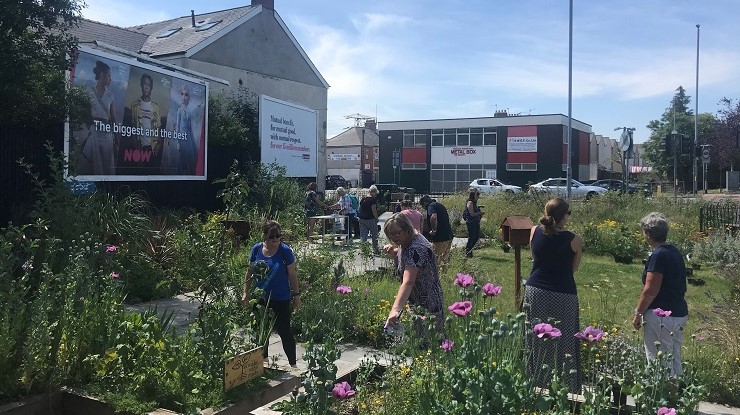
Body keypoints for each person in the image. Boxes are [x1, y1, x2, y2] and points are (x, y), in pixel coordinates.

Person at [524, 197, 583, 393]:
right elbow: (574, 269)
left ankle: (535, 380)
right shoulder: (574, 240)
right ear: (564, 216)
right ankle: (567, 385)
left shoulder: (534, 231)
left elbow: (535, 258)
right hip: (563, 293)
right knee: (564, 339)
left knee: (536, 337)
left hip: (535, 290)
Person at [631, 212, 688, 377]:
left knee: (659, 362)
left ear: (648, 234)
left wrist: (638, 313)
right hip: (678, 312)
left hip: (661, 315)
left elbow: (650, 290)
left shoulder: (658, 255)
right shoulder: (674, 252)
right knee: (673, 358)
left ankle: (662, 398)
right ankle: (676, 399)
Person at [241, 220, 302, 367]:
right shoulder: (256, 249)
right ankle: (263, 362)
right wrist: (245, 292)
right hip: (260, 297)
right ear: (265, 236)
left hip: (280, 297)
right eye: (272, 236)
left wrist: (296, 296)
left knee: (284, 331)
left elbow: (292, 274)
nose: (275, 239)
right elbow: (249, 271)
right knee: (261, 330)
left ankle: (293, 365)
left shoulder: (285, 251)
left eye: (278, 236)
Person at [383, 213, 444, 333]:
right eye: (390, 234)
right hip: (417, 301)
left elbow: (409, 282)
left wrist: (395, 310)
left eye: (397, 233)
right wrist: (395, 253)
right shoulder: (407, 240)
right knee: (419, 342)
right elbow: (411, 261)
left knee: (431, 342)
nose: (394, 237)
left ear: (407, 229)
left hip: (428, 304)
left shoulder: (416, 248)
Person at [78, 60, 117, 175]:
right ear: (102, 75)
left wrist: (116, 139)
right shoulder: (88, 92)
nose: (110, 79)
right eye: (108, 76)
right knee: (84, 161)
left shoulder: (110, 95)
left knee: (107, 165)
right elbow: (82, 112)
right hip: (93, 131)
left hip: (106, 134)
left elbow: (113, 119)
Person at [130, 73, 161, 172]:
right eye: (145, 84)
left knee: (151, 172)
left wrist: (158, 144)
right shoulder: (135, 106)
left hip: (152, 147)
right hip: (140, 146)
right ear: (141, 86)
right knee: (139, 172)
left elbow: (159, 129)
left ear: (151, 87)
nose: (147, 87)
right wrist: (136, 147)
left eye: (149, 85)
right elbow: (133, 128)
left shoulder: (156, 107)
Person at [419, 195, 453, 273]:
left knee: (436, 258)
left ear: (424, 203)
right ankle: (444, 275)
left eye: (422, 206)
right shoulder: (439, 205)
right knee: (444, 258)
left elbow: (433, 217)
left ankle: (436, 276)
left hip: (439, 237)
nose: (423, 208)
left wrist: (434, 230)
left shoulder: (431, 206)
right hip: (448, 235)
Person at [357, 185, 380, 255]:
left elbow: (359, 209)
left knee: (363, 235)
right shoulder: (372, 200)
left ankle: (364, 250)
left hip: (362, 219)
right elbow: (374, 210)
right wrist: (377, 218)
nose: (375, 195)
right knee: (374, 235)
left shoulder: (363, 199)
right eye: (375, 193)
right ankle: (375, 250)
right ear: (373, 192)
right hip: (371, 219)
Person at [463, 188, 484, 258]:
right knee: (472, 237)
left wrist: (479, 207)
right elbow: (472, 213)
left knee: (476, 237)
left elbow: (474, 209)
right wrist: (480, 213)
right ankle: (467, 252)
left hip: (475, 222)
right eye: (476, 195)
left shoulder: (474, 203)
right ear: (473, 196)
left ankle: (470, 251)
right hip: (471, 222)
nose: (477, 197)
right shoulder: (470, 202)